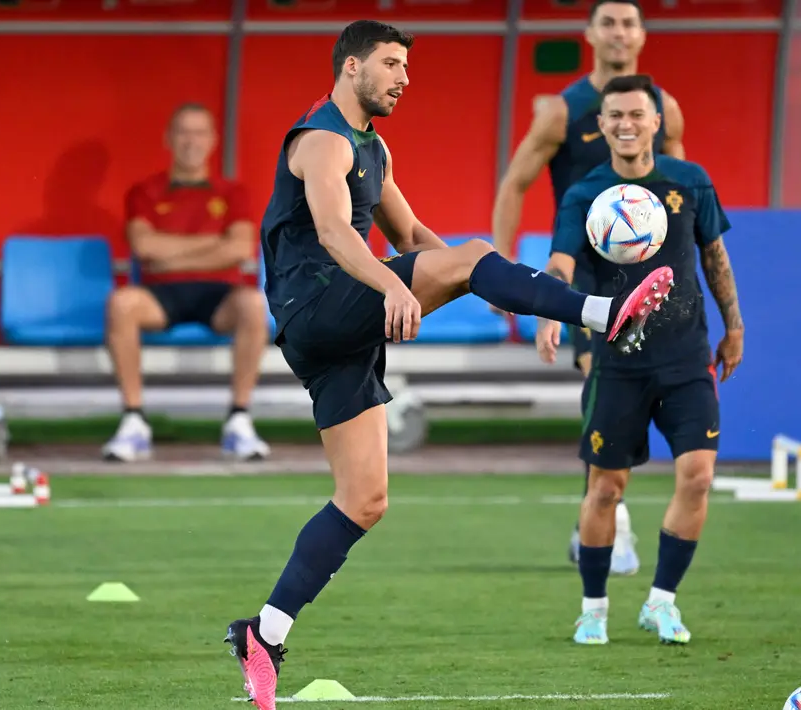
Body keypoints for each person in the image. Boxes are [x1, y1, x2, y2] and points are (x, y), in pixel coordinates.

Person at [223, 21, 677, 709]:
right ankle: (601, 314)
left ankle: (264, 634)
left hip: (336, 333)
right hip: (317, 306)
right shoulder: (319, 140)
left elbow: (411, 238)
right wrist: (408, 281)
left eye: (406, 65)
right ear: (350, 68)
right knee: (467, 256)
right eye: (390, 64)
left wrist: (486, 282)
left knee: (364, 500)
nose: (403, 77)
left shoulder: (374, 148)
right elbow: (334, 232)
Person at [539, 75, 743, 646]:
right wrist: (548, 312)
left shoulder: (690, 181)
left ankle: (661, 603)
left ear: (657, 122)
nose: (626, 124)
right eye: (615, 116)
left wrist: (735, 325)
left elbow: (714, 256)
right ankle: (594, 609)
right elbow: (560, 265)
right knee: (605, 489)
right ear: (600, 126)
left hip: (686, 357)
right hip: (617, 364)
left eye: (637, 114)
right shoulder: (584, 195)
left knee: (698, 477)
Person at [491, 0, 687, 573]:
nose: (619, 32)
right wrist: (505, 275)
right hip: (582, 277)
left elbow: (684, 190)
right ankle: (610, 524)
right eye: (609, 22)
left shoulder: (665, 109)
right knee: (600, 384)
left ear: (642, 36)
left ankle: (602, 516)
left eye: (629, 22)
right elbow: (514, 185)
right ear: (590, 34)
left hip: (651, 278)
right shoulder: (562, 111)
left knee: (645, 397)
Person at [101, 103, 270, 463]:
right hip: (162, 294)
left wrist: (171, 251)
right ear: (168, 139)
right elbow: (144, 246)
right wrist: (213, 244)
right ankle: (134, 421)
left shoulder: (231, 191)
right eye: (183, 132)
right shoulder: (145, 191)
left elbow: (239, 248)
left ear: (212, 140)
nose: (191, 141)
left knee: (254, 304)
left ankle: (239, 419)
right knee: (121, 303)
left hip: (220, 294)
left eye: (199, 132)